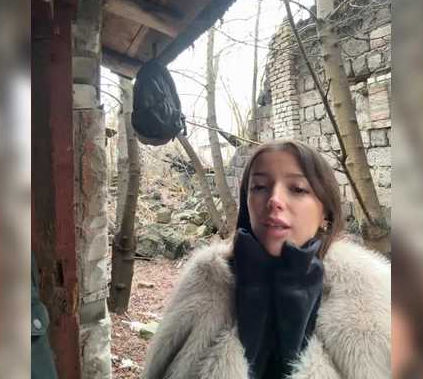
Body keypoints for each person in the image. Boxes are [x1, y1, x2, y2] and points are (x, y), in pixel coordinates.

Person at [142, 140, 390, 379]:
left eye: (297, 189)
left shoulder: (373, 294)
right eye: (260, 187)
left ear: (326, 212)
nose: (274, 200)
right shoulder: (205, 283)